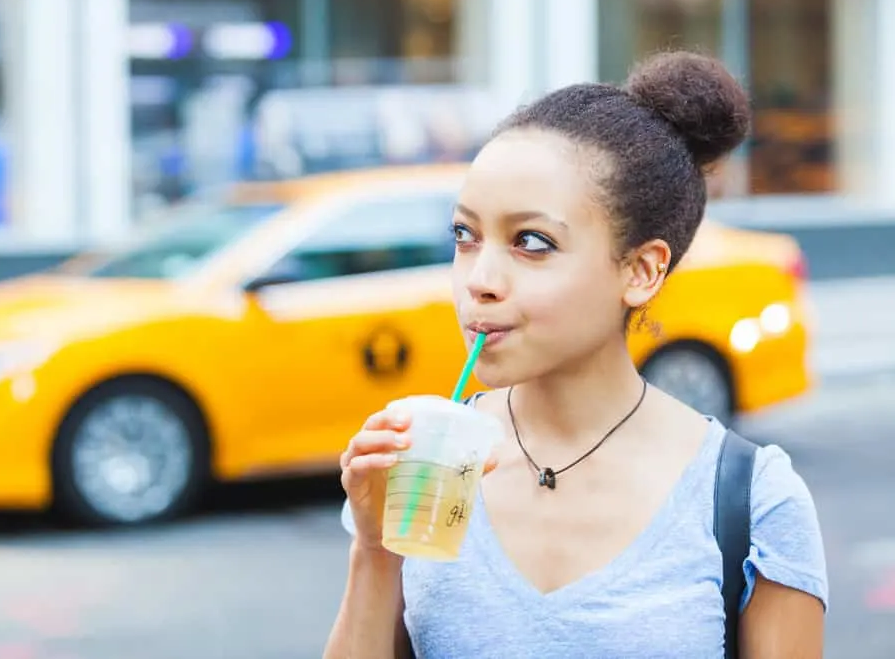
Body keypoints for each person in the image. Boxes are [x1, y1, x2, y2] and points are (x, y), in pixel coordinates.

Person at [323, 51, 828, 658]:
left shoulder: (751, 498)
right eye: (465, 235)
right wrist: (376, 551)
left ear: (641, 271)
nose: (479, 278)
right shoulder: (425, 465)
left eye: (531, 242)